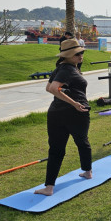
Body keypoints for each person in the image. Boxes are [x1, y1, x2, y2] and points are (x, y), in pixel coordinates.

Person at [35, 39, 92, 196]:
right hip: (75, 112)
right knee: (81, 142)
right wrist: (74, 103)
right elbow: (53, 88)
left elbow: (49, 88)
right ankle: (87, 171)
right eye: (77, 54)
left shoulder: (62, 68)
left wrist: (66, 94)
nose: (81, 56)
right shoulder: (66, 69)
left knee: (57, 149)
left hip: (57, 113)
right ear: (68, 55)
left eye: (82, 52)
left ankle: (49, 187)